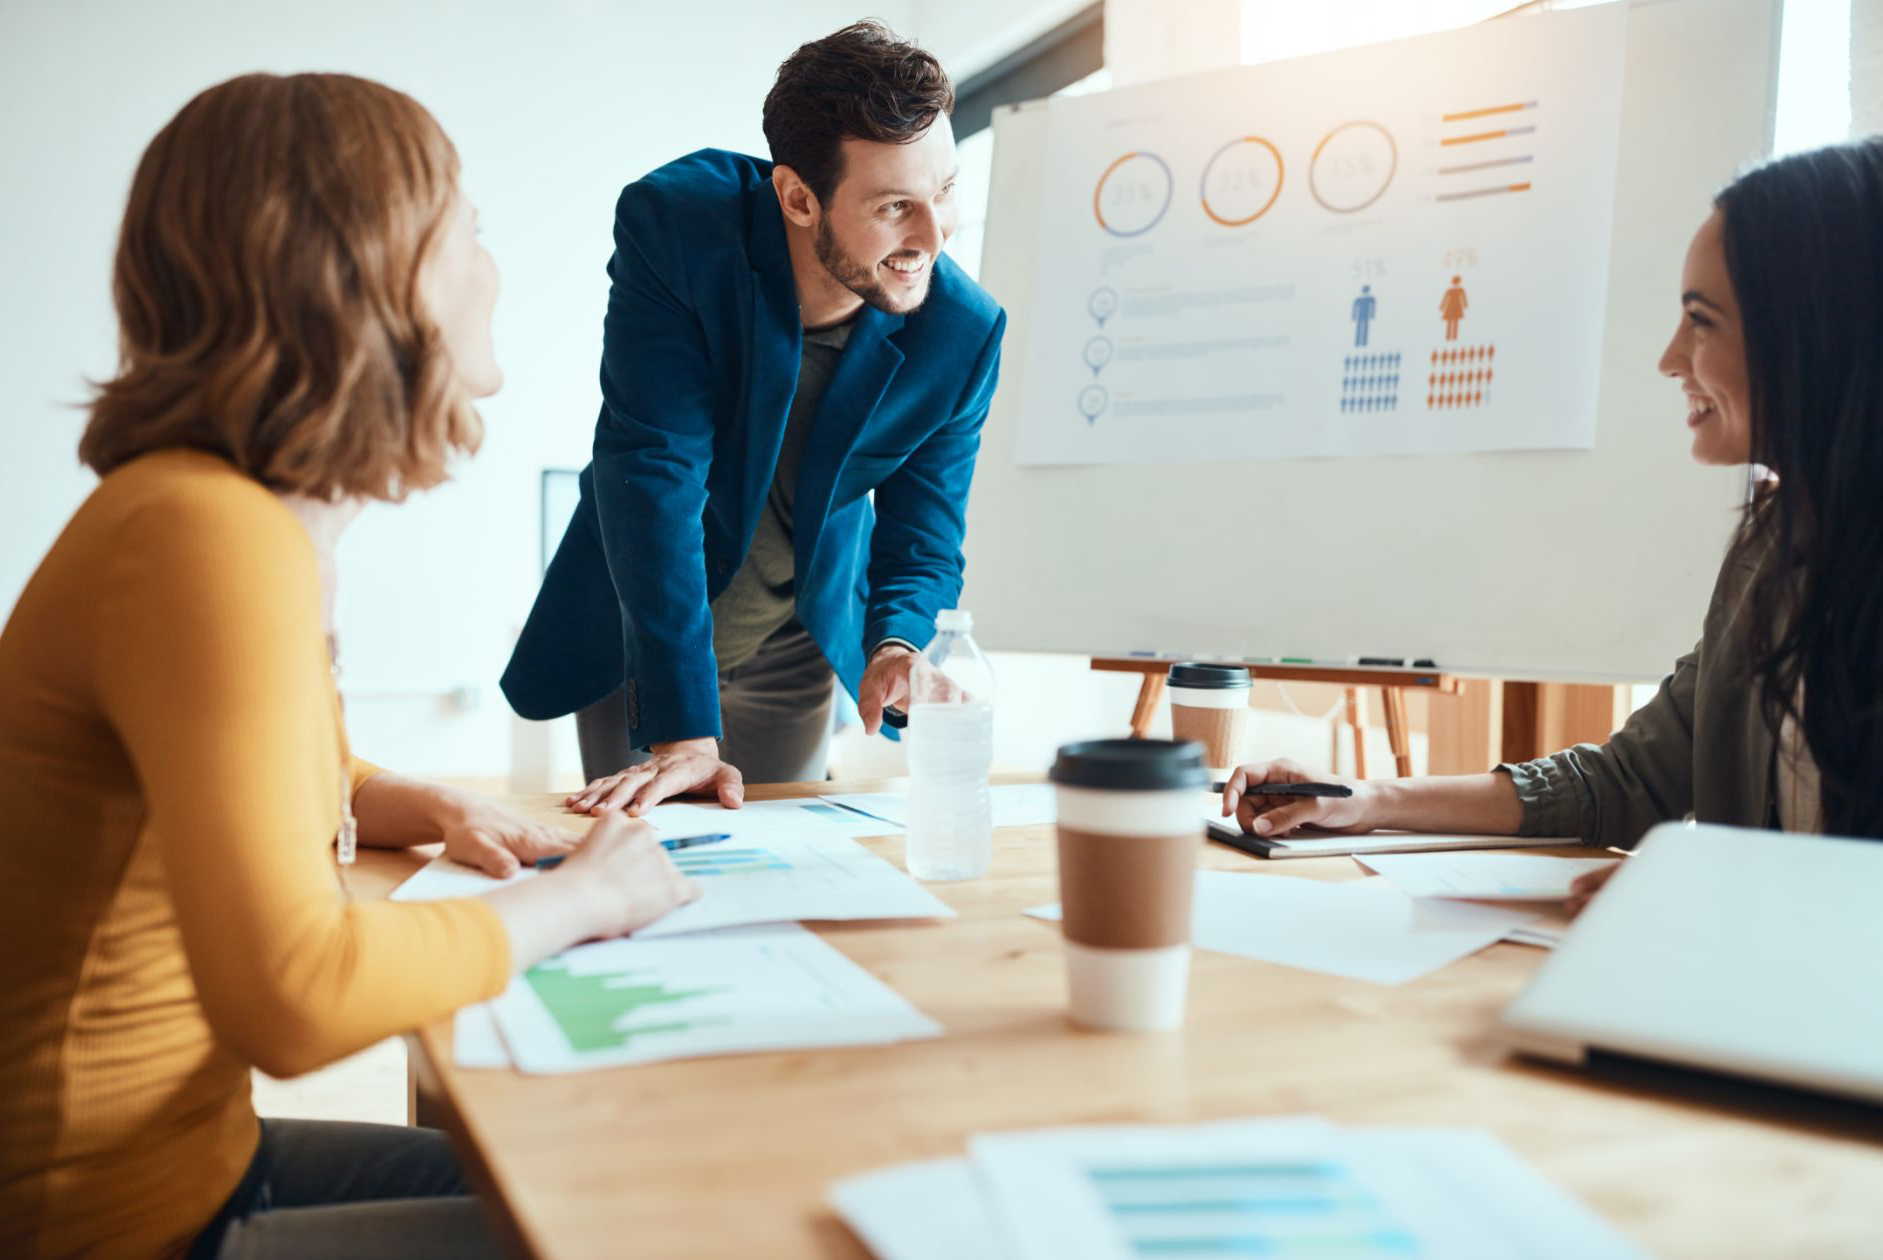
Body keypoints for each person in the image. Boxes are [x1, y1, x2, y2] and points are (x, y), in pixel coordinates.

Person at [0, 73, 697, 1260]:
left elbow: (230, 766)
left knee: (597, 1176)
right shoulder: (205, 536)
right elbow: (295, 996)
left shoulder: (213, 516)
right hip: (109, 1223)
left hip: (188, 1165)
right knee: (640, 1223)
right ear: (370, 265)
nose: (491, 263)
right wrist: (579, 898)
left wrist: (397, 797)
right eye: (465, 225)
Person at [1221, 140, 1883, 913]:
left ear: (1813, 332)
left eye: (1700, 322)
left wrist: (1719, 888)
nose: (1670, 359)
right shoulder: (1770, 557)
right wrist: (1366, 799)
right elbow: (1630, 780)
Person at [500, 21, 1006, 815]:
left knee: (782, 862)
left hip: (797, 639)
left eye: (943, 192)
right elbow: (654, 468)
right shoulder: (678, 229)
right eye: (894, 206)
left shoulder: (963, 332)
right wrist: (683, 729)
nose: (933, 237)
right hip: (648, 629)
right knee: (637, 862)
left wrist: (898, 643)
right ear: (798, 197)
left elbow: (924, 535)